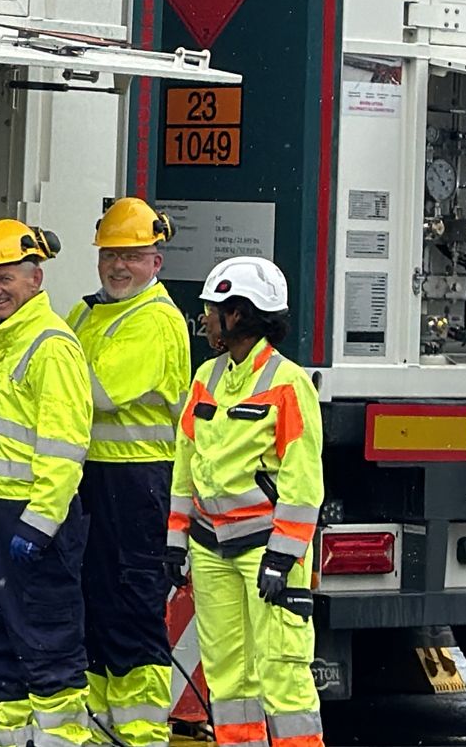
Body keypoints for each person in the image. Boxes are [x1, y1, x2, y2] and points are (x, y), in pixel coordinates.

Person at [166, 256, 325, 747]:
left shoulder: (289, 383)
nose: (206, 318)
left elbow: (303, 482)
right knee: (229, 680)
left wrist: (282, 557)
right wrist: (176, 542)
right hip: (212, 549)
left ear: (239, 314)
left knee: (283, 676)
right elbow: (184, 466)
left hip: (265, 553)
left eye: (214, 309)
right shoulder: (206, 379)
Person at [0, 219, 96, 747]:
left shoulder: (51, 347)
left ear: (35, 280)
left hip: (33, 520)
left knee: (48, 650)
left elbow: (66, 449)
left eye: (6, 279)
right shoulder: (8, 341)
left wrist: (39, 526)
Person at [68, 199, 193, 747]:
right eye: (111, 255)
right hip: (92, 477)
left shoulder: (155, 320)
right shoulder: (87, 313)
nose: (119, 266)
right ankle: (101, 727)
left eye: (133, 257)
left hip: (138, 481)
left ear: (156, 262)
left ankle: (141, 731)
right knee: (94, 601)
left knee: (133, 603)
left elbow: (88, 391)